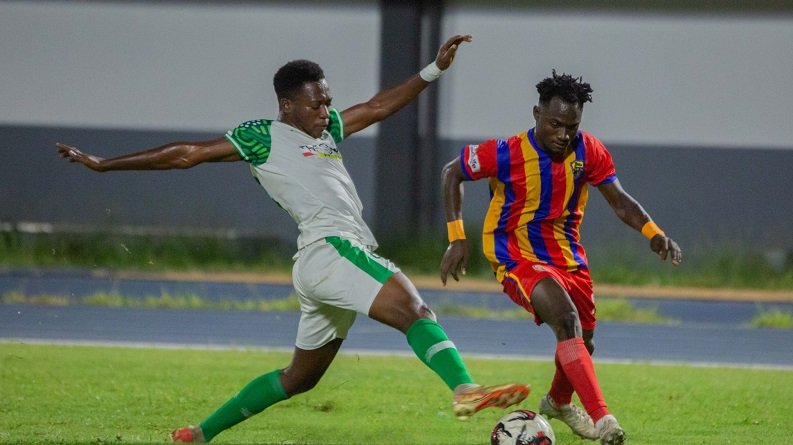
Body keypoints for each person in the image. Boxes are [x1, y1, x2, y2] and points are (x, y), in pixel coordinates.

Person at [57, 34, 530, 443]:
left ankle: (201, 433)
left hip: (320, 263)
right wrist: (105, 164)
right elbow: (187, 154)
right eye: (317, 103)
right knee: (416, 310)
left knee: (299, 378)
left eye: (327, 100)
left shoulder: (326, 133)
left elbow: (377, 106)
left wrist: (432, 70)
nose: (327, 110)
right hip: (332, 247)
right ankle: (466, 389)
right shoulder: (264, 136)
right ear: (287, 105)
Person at [439, 70, 683, 445]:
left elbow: (620, 201)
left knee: (584, 343)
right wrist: (457, 237)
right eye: (555, 124)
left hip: (568, 256)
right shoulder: (504, 152)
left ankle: (558, 402)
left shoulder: (590, 151)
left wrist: (653, 232)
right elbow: (451, 173)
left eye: (572, 125)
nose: (563, 134)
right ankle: (604, 420)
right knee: (565, 319)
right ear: (536, 113)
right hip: (515, 254)